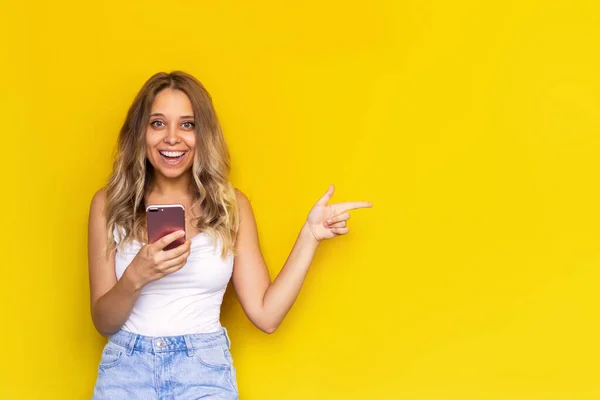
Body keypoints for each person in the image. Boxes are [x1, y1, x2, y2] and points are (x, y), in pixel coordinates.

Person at [88, 71, 372, 399]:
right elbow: (103, 322)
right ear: (140, 132)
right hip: (126, 373)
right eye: (157, 123)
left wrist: (310, 235)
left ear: (202, 133)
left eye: (187, 124)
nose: (172, 137)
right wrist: (136, 276)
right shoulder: (108, 205)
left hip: (203, 372)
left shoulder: (230, 206)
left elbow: (266, 315)